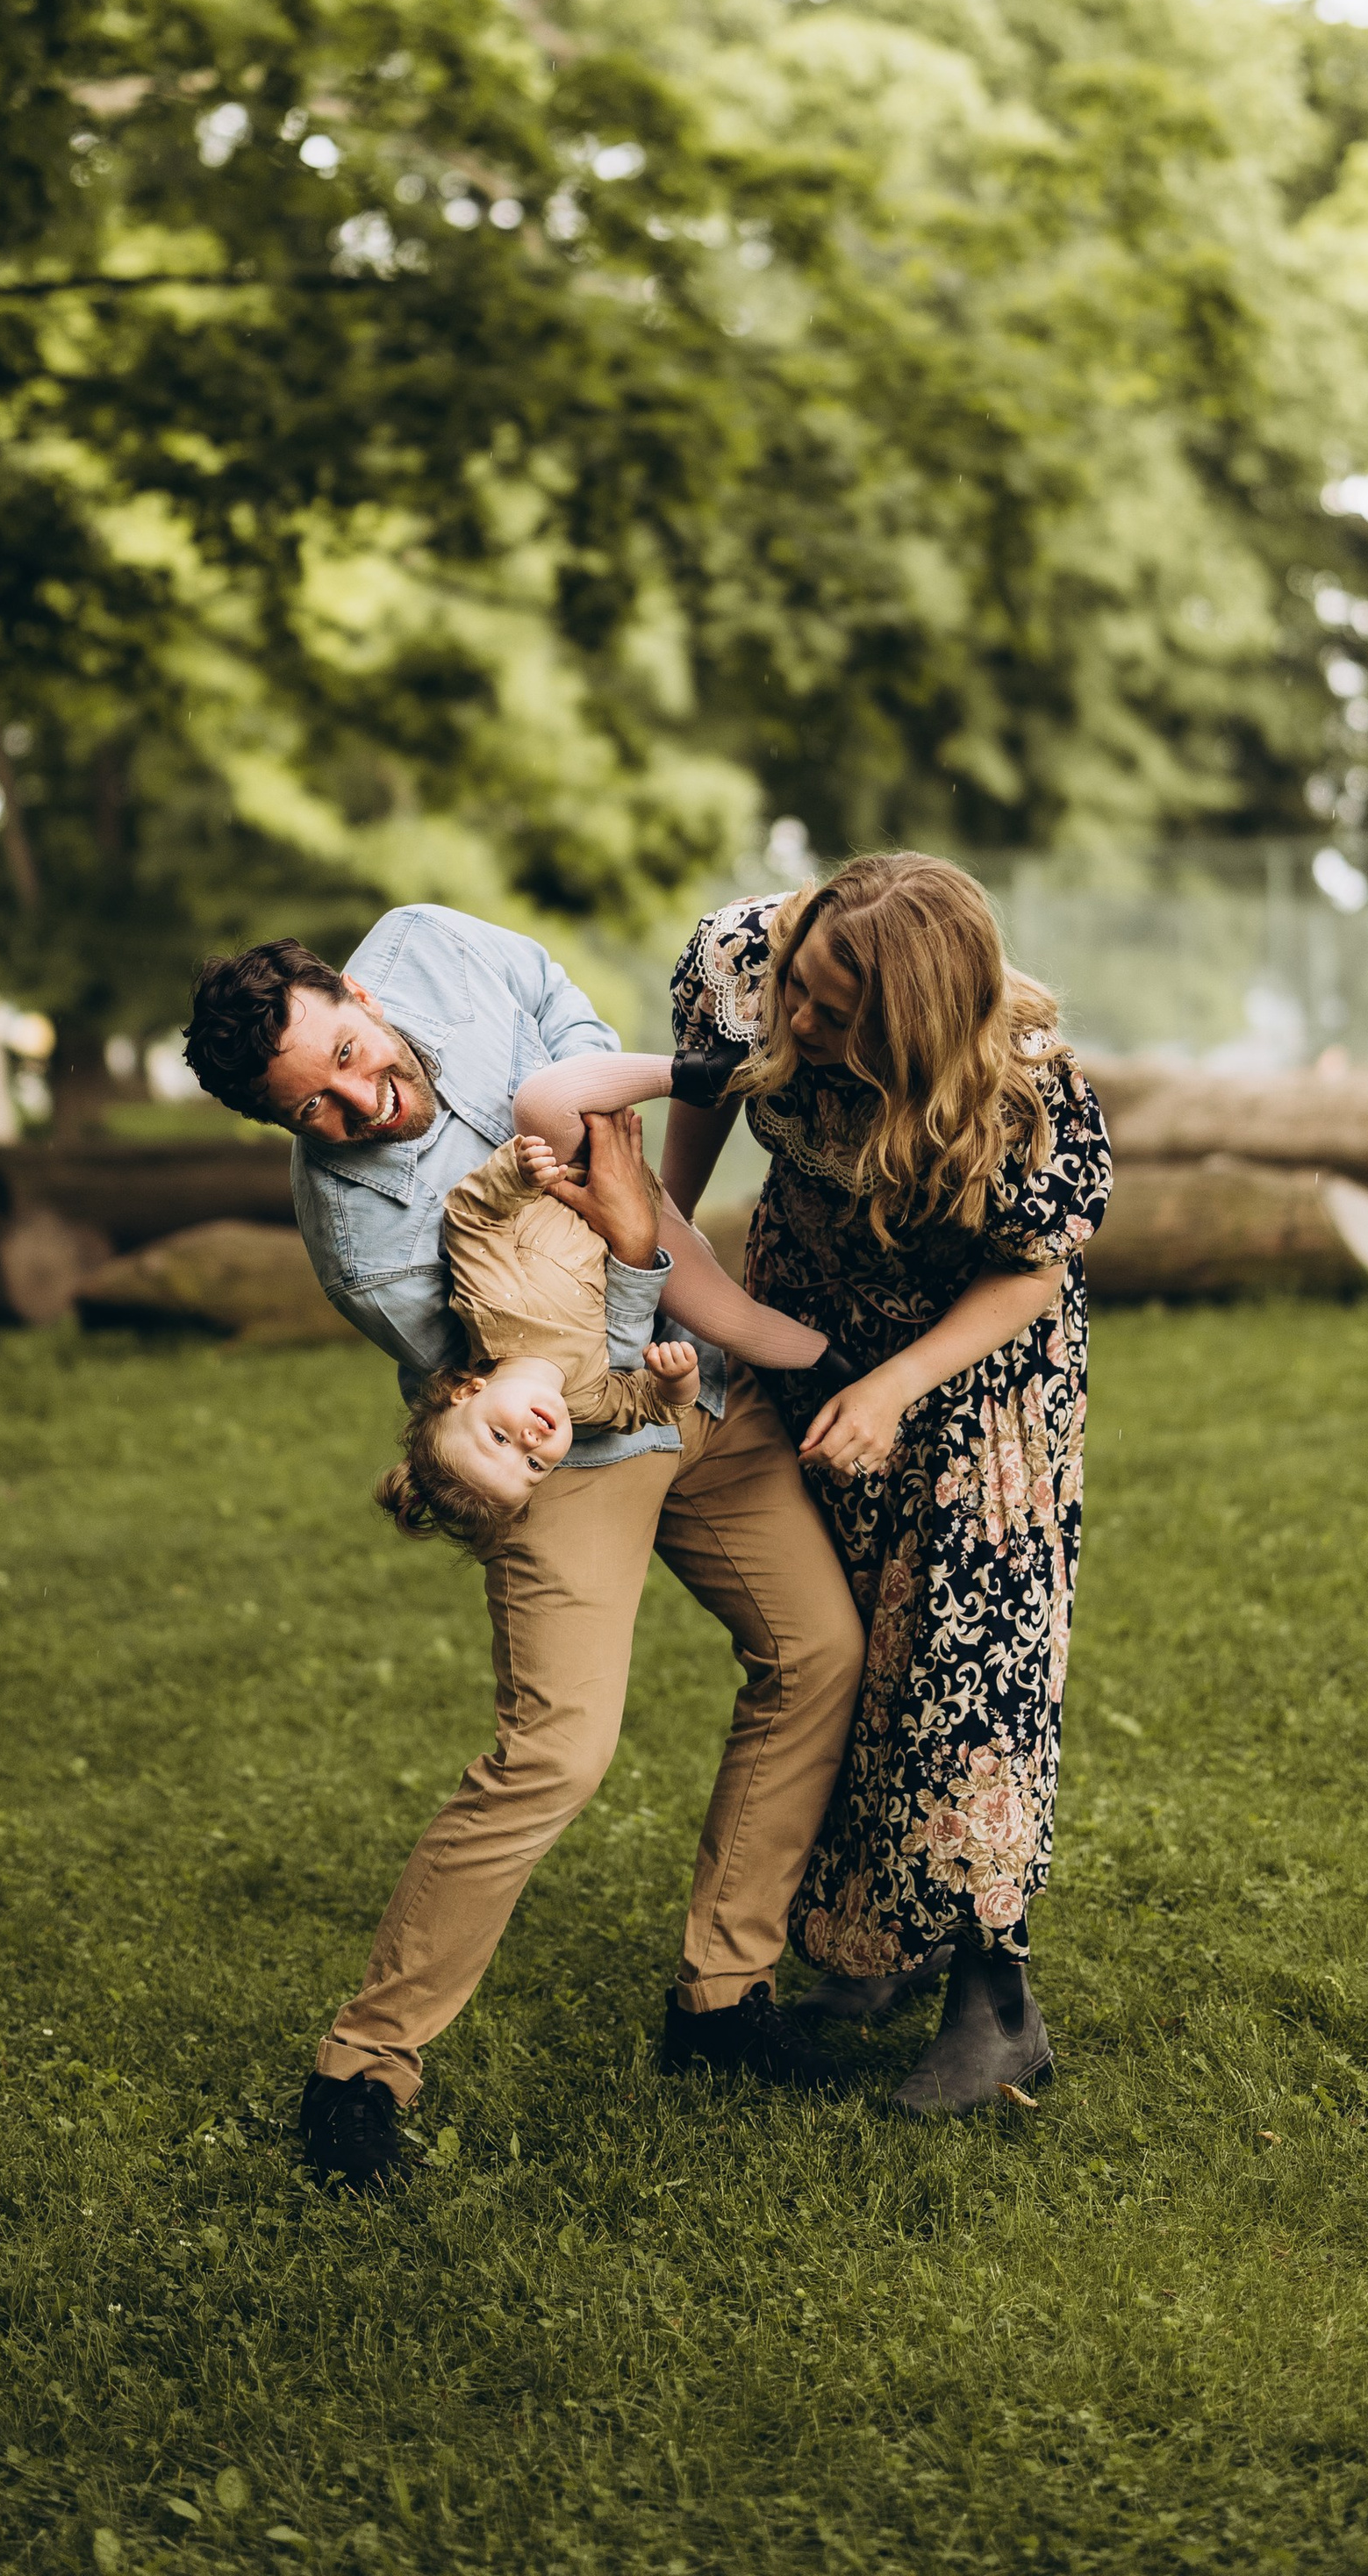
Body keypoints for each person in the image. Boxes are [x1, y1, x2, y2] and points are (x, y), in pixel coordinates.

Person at [182, 912, 864, 2193]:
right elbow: (539, 1379)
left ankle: (724, 1998)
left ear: (362, 994)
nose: (359, 1103)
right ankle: (362, 2068)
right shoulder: (364, 1247)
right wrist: (634, 1237)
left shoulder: (433, 944)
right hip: (570, 1441)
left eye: (348, 1055)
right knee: (555, 1752)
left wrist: (599, 1137)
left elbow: (561, 1009)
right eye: (312, 1110)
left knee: (819, 1650)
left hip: (703, 1391)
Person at [662, 854, 1112, 2119]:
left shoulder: (1024, 1087)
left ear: (915, 1028)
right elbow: (693, 1125)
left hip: (972, 1370)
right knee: (853, 1640)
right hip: (802, 1317)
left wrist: (895, 1389)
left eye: (837, 1014)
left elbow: (1030, 1271)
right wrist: (652, 1265)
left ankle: (994, 2006)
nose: (798, 1020)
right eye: (801, 986)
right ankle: (874, 1946)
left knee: (965, 1672)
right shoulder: (738, 965)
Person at [376, 1054, 829, 1549]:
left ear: (467, 1392)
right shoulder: (587, 1403)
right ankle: (838, 1361)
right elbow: (647, 1405)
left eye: (498, 1439)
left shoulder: (491, 1312)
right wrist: (678, 1382)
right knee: (729, 1322)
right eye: (533, 1466)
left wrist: (516, 1175)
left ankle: (714, 1071)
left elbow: (470, 1218)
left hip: (572, 1168)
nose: (529, 1443)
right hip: (640, 1226)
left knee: (542, 1104)